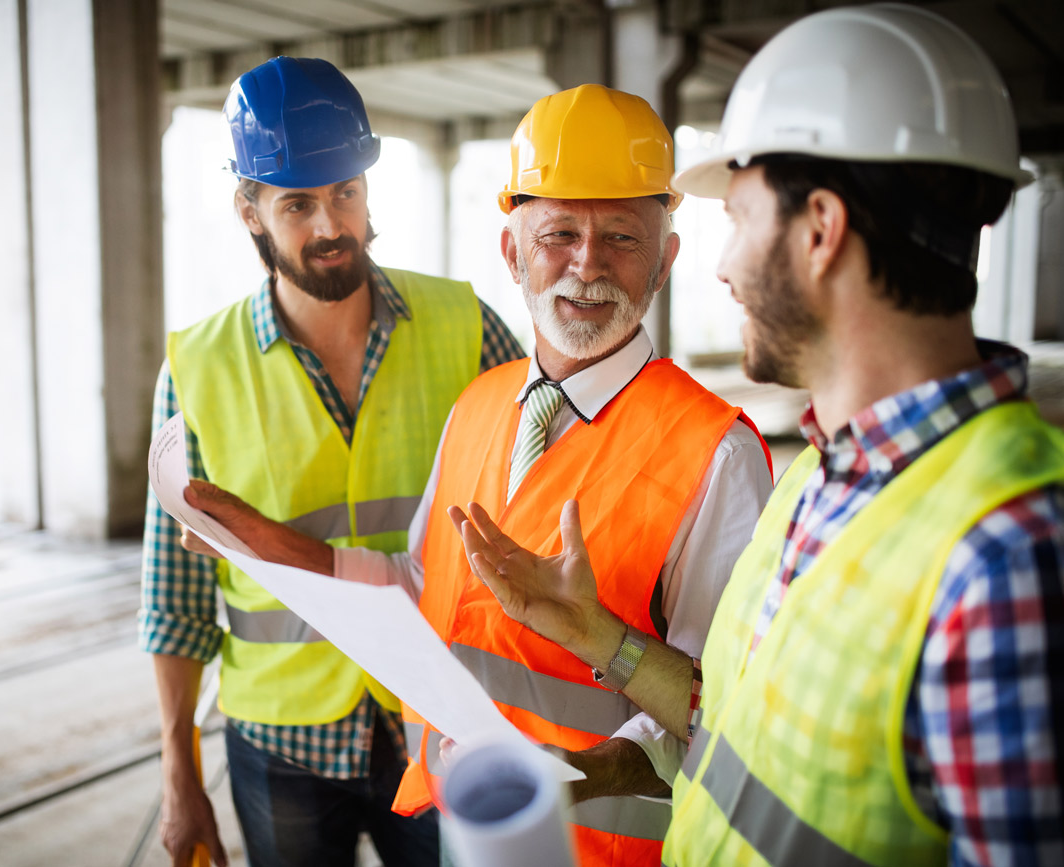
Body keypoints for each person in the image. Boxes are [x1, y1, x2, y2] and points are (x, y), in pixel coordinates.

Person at [453, 5, 1064, 866]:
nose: (719, 265)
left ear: (820, 230)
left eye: (737, 218)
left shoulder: (1006, 553)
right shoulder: (820, 474)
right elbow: (732, 721)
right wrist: (600, 636)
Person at [180, 83, 774, 866]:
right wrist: (274, 548)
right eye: (558, 232)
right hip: (464, 829)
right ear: (512, 251)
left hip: (599, 848)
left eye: (622, 238)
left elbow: (720, 706)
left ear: (665, 259)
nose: (586, 264)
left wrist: (575, 775)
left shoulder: (715, 452)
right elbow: (420, 581)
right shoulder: (481, 406)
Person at [139, 56, 524, 867]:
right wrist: (181, 775)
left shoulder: (467, 327)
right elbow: (173, 604)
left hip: (440, 716)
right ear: (249, 209)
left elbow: (538, 501)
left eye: (345, 192)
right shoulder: (198, 367)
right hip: (282, 744)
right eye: (298, 203)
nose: (329, 225)